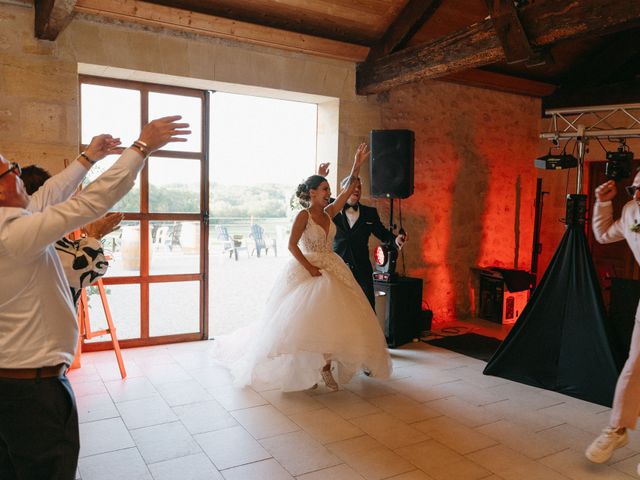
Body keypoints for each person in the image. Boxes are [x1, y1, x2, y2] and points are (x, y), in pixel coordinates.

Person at [0, 115, 190, 480]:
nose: (19, 174)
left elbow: (47, 196)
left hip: (15, 386)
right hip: (32, 393)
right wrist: (141, 147)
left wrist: (88, 158)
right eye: (13, 170)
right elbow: (91, 202)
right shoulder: (13, 236)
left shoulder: (11, 226)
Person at [214, 144, 391, 391]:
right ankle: (304, 372)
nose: (329, 193)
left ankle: (326, 368)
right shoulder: (303, 216)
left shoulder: (330, 213)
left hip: (332, 267)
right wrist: (308, 267)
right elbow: (291, 245)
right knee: (303, 323)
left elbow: (348, 189)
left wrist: (356, 163)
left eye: (329, 189)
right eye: (324, 189)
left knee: (333, 322)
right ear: (312, 193)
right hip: (309, 269)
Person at [586, 172, 640, 467]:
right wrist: (603, 203)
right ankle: (617, 429)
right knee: (635, 366)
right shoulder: (632, 211)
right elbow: (604, 234)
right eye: (635, 189)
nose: (637, 196)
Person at [21, 165, 124, 304]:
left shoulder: (23, 228)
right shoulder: (34, 233)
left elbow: (65, 252)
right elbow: (82, 271)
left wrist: (91, 235)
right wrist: (95, 235)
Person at [317, 162, 406, 309]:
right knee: (338, 308)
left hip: (362, 270)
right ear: (343, 190)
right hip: (338, 267)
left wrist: (395, 239)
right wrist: (319, 176)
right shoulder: (331, 208)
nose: (357, 189)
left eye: (359, 187)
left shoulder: (369, 213)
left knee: (367, 308)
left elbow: (382, 233)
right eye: (353, 187)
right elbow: (313, 202)